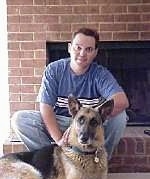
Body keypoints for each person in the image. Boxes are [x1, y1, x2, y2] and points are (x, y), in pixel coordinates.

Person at [11, 27, 129, 160]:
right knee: (20, 120)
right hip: (60, 121)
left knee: (120, 117)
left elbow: (122, 101)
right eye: (78, 47)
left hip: (89, 123)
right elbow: (45, 107)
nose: (82, 53)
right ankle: (52, 160)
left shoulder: (100, 74)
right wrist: (59, 139)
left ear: (95, 52)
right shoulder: (54, 70)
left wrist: (86, 119)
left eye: (89, 49)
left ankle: (99, 161)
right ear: (69, 48)